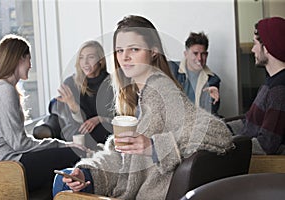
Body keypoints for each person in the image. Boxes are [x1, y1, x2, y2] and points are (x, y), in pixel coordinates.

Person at [53, 15, 234, 199]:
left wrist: (154, 146)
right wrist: (87, 173)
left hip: (145, 193)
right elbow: (124, 157)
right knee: (67, 177)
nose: (125, 57)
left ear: (153, 51)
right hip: (123, 181)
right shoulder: (137, 94)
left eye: (134, 49)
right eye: (119, 50)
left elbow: (219, 132)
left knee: (60, 188)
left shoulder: (161, 91)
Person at [0, 34, 86, 194]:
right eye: (28, 59)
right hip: (8, 166)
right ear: (19, 59)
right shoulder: (4, 90)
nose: (30, 65)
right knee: (76, 153)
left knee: (59, 170)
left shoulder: (0, 88)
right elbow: (20, 144)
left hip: (8, 161)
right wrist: (63, 144)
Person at [33, 40, 114, 150]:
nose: (85, 62)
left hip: (101, 128)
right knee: (77, 132)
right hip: (76, 128)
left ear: (100, 60)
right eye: (81, 58)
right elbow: (73, 123)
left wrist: (100, 118)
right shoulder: (71, 83)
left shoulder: (111, 83)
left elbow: (118, 117)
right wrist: (72, 105)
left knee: (102, 131)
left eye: (90, 57)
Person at [236, 17, 285, 155]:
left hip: (259, 167)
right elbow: (250, 121)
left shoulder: (279, 90)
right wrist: (219, 128)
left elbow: (266, 145)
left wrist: (228, 146)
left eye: (255, 43)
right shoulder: (271, 81)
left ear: (267, 48)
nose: (252, 49)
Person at [169, 32, 221, 116]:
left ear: (207, 55)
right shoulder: (171, 69)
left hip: (197, 123)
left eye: (203, 54)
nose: (199, 58)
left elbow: (211, 113)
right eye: (195, 53)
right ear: (186, 54)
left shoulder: (213, 80)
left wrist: (211, 100)